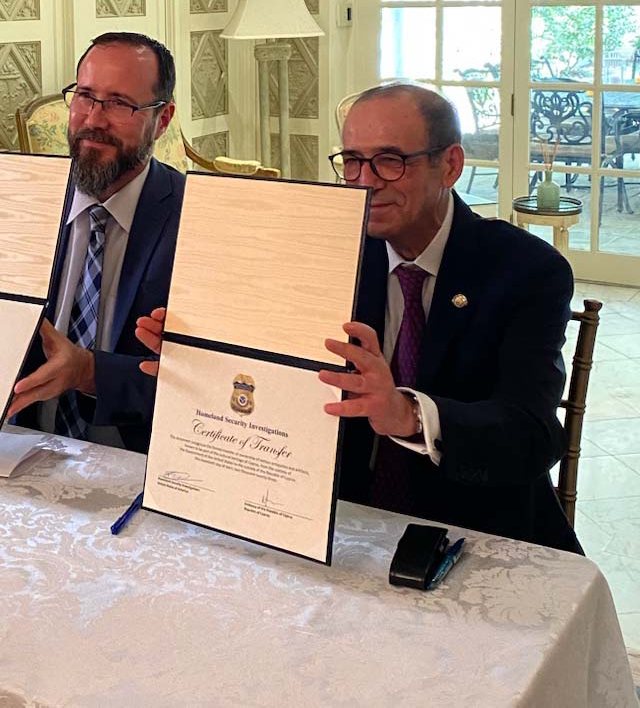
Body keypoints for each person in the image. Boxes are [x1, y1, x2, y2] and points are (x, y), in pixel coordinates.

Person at [137, 83, 582, 554]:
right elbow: (281, 384)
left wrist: (407, 414)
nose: (365, 181)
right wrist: (207, 355)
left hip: (480, 527)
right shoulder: (322, 252)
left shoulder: (527, 271)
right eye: (352, 160)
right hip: (341, 520)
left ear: (449, 165)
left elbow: (531, 433)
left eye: (390, 160)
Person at [0, 31, 184, 453]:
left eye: (119, 103)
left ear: (164, 117)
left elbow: (211, 385)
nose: (93, 120)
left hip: (140, 467)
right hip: (11, 450)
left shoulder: (194, 220)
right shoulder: (7, 203)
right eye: (84, 96)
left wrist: (90, 373)